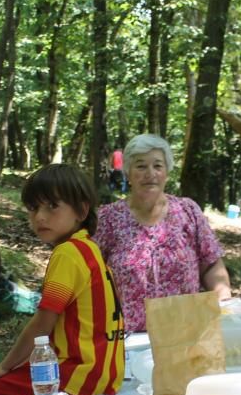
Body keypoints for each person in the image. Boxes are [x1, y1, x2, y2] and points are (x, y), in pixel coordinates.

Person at [0, 164, 124, 395]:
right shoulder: (89, 248)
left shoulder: (67, 253)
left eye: (52, 206)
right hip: (107, 374)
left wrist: (3, 366)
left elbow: (43, 322)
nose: (40, 217)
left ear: (81, 210)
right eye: (33, 208)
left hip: (80, 374)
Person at [93, 134, 231, 333]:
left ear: (167, 173)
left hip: (186, 334)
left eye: (158, 166)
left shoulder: (187, 211)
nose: (150, 173)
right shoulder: (108, 218)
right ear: (128, 173)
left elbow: (211, 265)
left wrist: (224, 305)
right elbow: (91, 274)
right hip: (127, 338)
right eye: (140, 166)